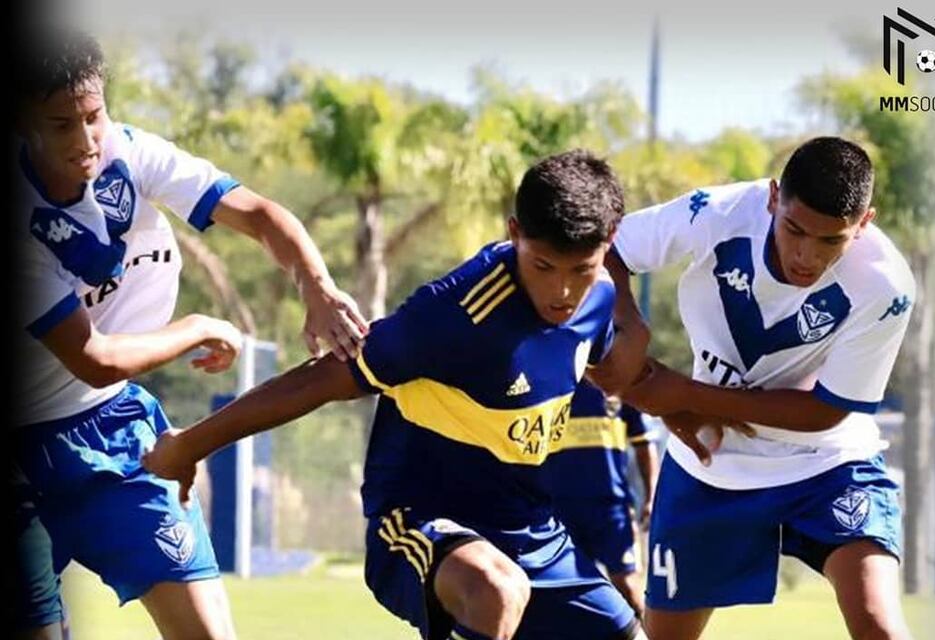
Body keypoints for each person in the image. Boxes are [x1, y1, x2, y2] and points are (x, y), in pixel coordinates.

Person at [143, 149, 649, 640]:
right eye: (543, 267)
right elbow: (321, 380)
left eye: (580, 271)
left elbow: (623, 373)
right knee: (496, 588)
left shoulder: (598, 297)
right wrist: (192, 445)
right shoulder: (455, 313)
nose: (562, 292)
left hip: (533, 531)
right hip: (418, 522)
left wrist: (688, 410)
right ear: (515, 234)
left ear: (608, 246)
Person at [12, 30, 367, 640]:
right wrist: (198, 327)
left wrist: (317, 286)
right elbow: (94, 358)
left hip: (116, 430)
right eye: (60, 125)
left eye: (93, 116)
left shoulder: (132, 154)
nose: (84, 141)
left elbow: (257, 215)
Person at [606, 137, 914, 639]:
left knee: (880, 625)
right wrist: (631, 343)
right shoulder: (718, 213)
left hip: (828, 463)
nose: (807, 256)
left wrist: (684, 396)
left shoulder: (886, 286)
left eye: (831, 241)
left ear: (865, 223)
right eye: (794, 229)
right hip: (710, 463)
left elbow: (824, 412)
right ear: (773, 197)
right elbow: (608, 249)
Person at [546, 378, 657, 616]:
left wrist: (651, 495)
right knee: (565, 599)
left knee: (628, 588)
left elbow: (644, 444)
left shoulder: (618, 381)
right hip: (558, 510)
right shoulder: (552, 379)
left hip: (611, 508)